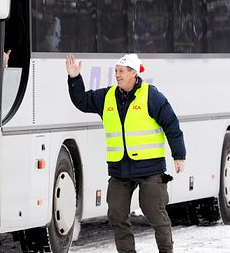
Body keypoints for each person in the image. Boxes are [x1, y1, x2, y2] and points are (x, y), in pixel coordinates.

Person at [65, 53, 185, 253]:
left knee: (154, 212)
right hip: (120, 169)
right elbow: (82, 101)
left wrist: (179, 156)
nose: (117, 75)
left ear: (133, 73)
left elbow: (171, 124)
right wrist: (75, 78)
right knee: (116, 215)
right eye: (116, 71)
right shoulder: (107, 96)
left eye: (121, 72)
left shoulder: (151, 96)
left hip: (150, 168)